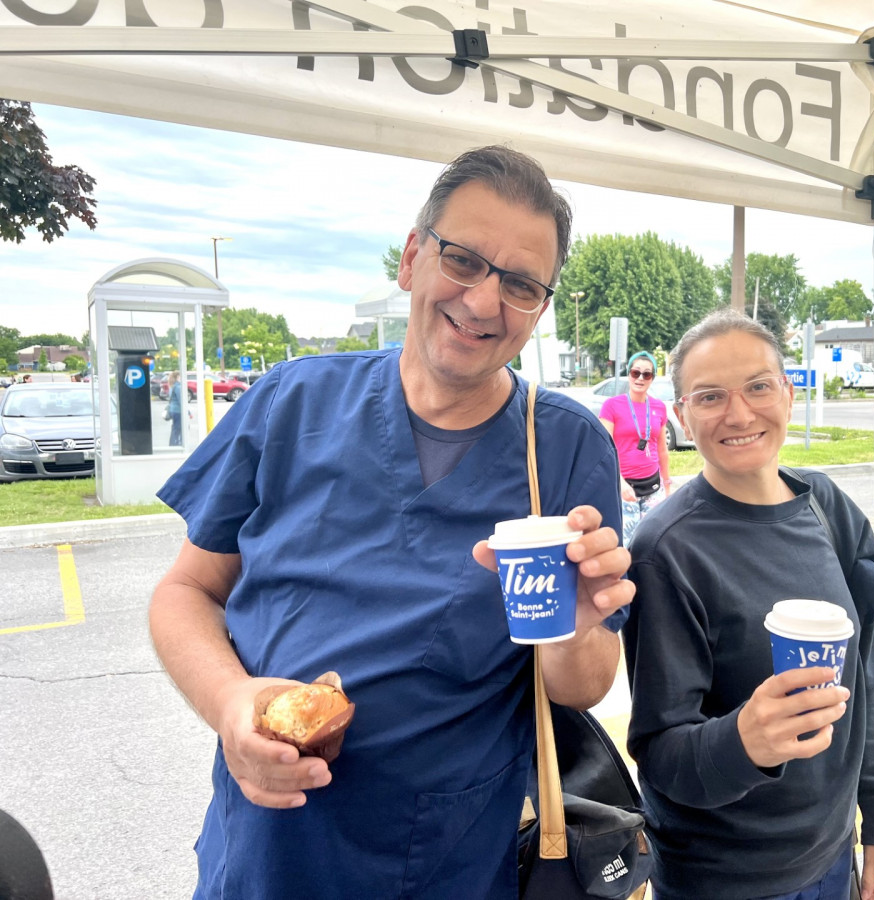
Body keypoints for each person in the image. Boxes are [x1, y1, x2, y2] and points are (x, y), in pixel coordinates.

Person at [149, 145, 633, 899]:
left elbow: (584, 684)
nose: (482, 302)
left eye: (520, 284)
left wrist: (572, 627)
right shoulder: (290, 403)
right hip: (264, 854)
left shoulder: (564, 446)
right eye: (464, 260)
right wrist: (231, 703)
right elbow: (187, 591)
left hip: (442, 863)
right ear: (412, 258)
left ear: (540, 308)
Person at [622, 309, 874, 900]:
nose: (739, 413)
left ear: (788, 391)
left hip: (833, 856)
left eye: (758, 386)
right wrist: (743, 742)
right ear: (680, 417)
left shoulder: (828, 508)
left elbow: (866, 679)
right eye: (709, 397)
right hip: (723, 879)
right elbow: (659, 753)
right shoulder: (665, 551)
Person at [599, 350, 672, 542]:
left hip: (653, 485)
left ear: (652, 378)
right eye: (635, 373)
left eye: (646, 374)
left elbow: (663, 450)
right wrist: (620, 482)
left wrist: (667, 485)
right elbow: (604, 450)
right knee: (626, 543)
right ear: (629, 374)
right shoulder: (612, 406)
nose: (640, 378)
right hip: (624, 487)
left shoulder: (659, 407)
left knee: (652, 541)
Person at [166, 371, 183, 446]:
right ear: (177, 377)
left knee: (175, 428)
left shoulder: (172, 386)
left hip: (173, 410)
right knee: (178, 428)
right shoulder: (178, 387)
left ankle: (172, 443)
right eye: (180, 377)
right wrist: (188, 412)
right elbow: (182, 401)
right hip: (178, 411)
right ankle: (175, 444)